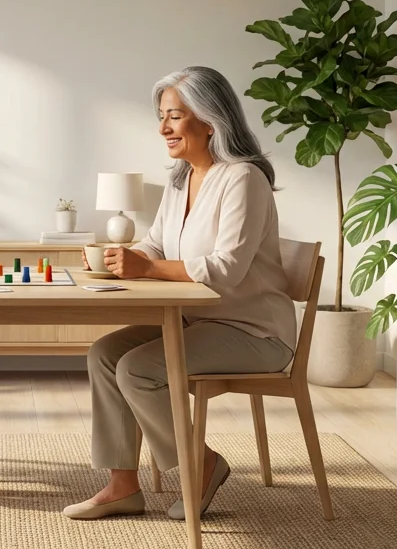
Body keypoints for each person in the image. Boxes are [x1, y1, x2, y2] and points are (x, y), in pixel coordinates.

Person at [62, 66, 295, 521]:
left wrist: (147, 267)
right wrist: (119, 259)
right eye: (162, 116)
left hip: (255, 333)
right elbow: (155, 245)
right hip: (198, 322)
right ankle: (122, 485)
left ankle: (202, 464)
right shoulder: (181, 178)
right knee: (104, 354)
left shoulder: (243, 179)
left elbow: (225, 270)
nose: (163, 127)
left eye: (174, 116)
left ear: (211, 121)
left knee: (138, 369)